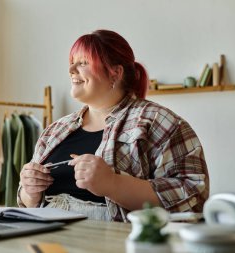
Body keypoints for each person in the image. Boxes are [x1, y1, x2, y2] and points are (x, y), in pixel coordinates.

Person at [17, 29, 209, 222]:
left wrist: (112, 184)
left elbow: (194, 194)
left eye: (83, 62)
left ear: (115, 73)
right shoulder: (55, 130)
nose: (71, 69)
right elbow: (27, 203)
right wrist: (29, 192)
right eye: (72, 62)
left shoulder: (159, 122)